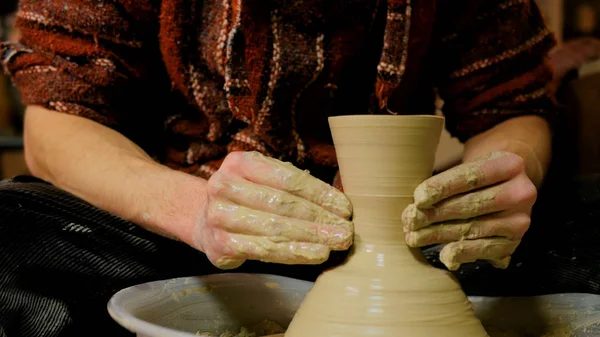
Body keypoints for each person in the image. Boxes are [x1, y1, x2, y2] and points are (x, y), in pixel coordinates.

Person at [0, 0, 587, 336]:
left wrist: (499, 182)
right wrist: (192, 211)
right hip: (188, 232)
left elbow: (513, 106)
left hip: (416, 237)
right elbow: (54, 122)